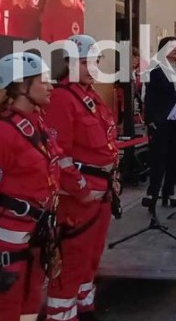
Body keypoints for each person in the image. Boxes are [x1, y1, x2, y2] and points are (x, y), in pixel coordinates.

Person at [0, 52, 58, 321]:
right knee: (3, 310)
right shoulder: (2, 133)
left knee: (30, 305)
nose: (51, 86)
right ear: (21, 86)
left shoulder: (36, 123)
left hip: (37, 233)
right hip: (8, 238)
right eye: (44, 80)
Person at [44, 35, 121, 321]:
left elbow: (105, 142)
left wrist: (112, 178)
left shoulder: (90, 95)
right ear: (70, 63)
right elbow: (57, 153)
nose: (92, 67)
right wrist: (80, 189)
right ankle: (62, 315)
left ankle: (85, 306)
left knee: (91, 255)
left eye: (96, 61)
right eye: (86, 61)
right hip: (79, 197)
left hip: (100, 190)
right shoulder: (62, 98)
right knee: (73, 258)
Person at [142, 37, 176, 209]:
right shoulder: (155, 70)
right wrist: (151, 120)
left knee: (174, 158)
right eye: (172, 47)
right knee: (158, 159)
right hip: (161, 121)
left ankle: (169, 191)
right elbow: (150, 97)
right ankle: (153, 192)